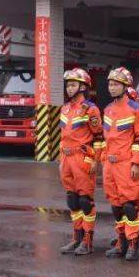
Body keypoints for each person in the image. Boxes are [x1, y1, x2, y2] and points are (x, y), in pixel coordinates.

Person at [101, 67, 139, 262]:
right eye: (110, 84)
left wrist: (136, 162)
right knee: (116, 206)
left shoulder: (135, 109)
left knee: (130, 205)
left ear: (125, 86)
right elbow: (106, 138)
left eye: (116, 84)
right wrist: (104, 158)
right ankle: (121, 242)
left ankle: (133, 244)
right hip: (110, 165)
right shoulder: (107, 109)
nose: (112, 88)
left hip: (127, 163)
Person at [58, 68, 104, 256]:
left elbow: (99, 137)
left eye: (73, 85)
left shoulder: (90, 109)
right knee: (73, 200)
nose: (69, 88)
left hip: (82, 158)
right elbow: (63, 136)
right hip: (67, 158)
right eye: (68, 85)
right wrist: (61, 159)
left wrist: (96, 160)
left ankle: (87, 241)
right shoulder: (65, 108)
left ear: (83, 87)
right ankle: (76, 238)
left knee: (85, 201)